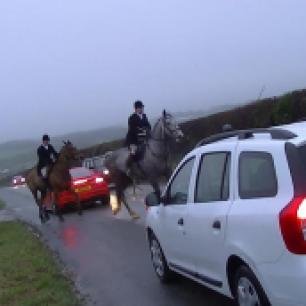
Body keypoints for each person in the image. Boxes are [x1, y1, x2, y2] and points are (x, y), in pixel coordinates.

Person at [125, 101, 151, 173]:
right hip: (133, 140)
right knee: (134, 152)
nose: (142, 109)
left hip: (143, 138)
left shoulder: (144, 116)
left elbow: (148, 126)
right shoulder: (131, 118)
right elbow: (132, 130)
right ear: (136, 109)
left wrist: (147, 130)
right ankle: (129, 168)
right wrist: (142, 131)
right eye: (141, 108)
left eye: (142, 107)